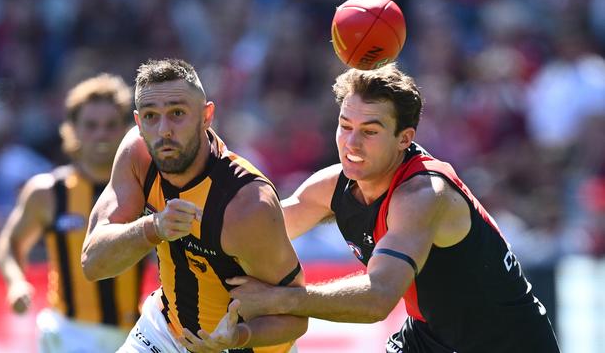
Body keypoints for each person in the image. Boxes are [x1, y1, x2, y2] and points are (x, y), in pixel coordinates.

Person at [226, 63, 561, 353]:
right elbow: (261, 231)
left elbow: (378, 297)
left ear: (405, 138)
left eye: (370, 131)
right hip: (430, 336)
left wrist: (278, 299)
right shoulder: (334, 185)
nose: (351, 143)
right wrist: (187, 231)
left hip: (505, 343)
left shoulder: (423, 194)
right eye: (345, 126)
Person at [80, 58, 307, 353]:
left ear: (206, 115)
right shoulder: (137, 153)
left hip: (239, 346)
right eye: (150, 116)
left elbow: (296, 316)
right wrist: (153, 227)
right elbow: (93, 263)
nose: (163, 131)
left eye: (177, 113)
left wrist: (238, 337)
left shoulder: (248, 202)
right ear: (138, 122)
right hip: (164, 330)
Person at [0, 73, 145, 352]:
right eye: (91, 125)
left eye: (111, 125)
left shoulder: (146, 189)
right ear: (72, 129)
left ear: (127, 130)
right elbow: (10, 243)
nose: (101, 134)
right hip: (69, 333)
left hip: (132, 335)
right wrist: (16, 283)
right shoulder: (48, 191)